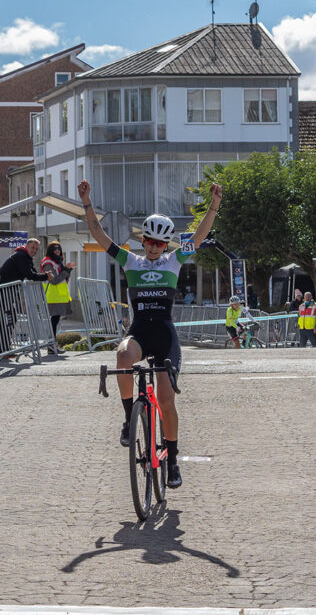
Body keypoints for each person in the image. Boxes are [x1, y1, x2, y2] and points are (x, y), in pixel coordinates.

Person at [78, 178, 222, 490]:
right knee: (122, 355)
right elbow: (99, 235)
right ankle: (129, 418)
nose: (154, 247)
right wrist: (87, 203)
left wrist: (213, 206)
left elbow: (199, 236)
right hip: (140, 331)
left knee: (166, 401)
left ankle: (173, 460)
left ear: (166, 244)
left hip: (165, 336)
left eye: (159, 243)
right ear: (142, 241)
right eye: (149, 241)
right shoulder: (130, 260)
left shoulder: (175, 260)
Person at [40, 241, 75, 351]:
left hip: (58, 296)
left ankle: (52, 345)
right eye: (54, 249)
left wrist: (67, 270)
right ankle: (51, 345)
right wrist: (66, 270)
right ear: (50, 251)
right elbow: (54, 280)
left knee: (55, 321)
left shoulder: (57, 262)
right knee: (54, 321)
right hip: (52, 296)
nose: (57, 251)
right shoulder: (48, 262)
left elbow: (62, 278)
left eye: (59, 249)